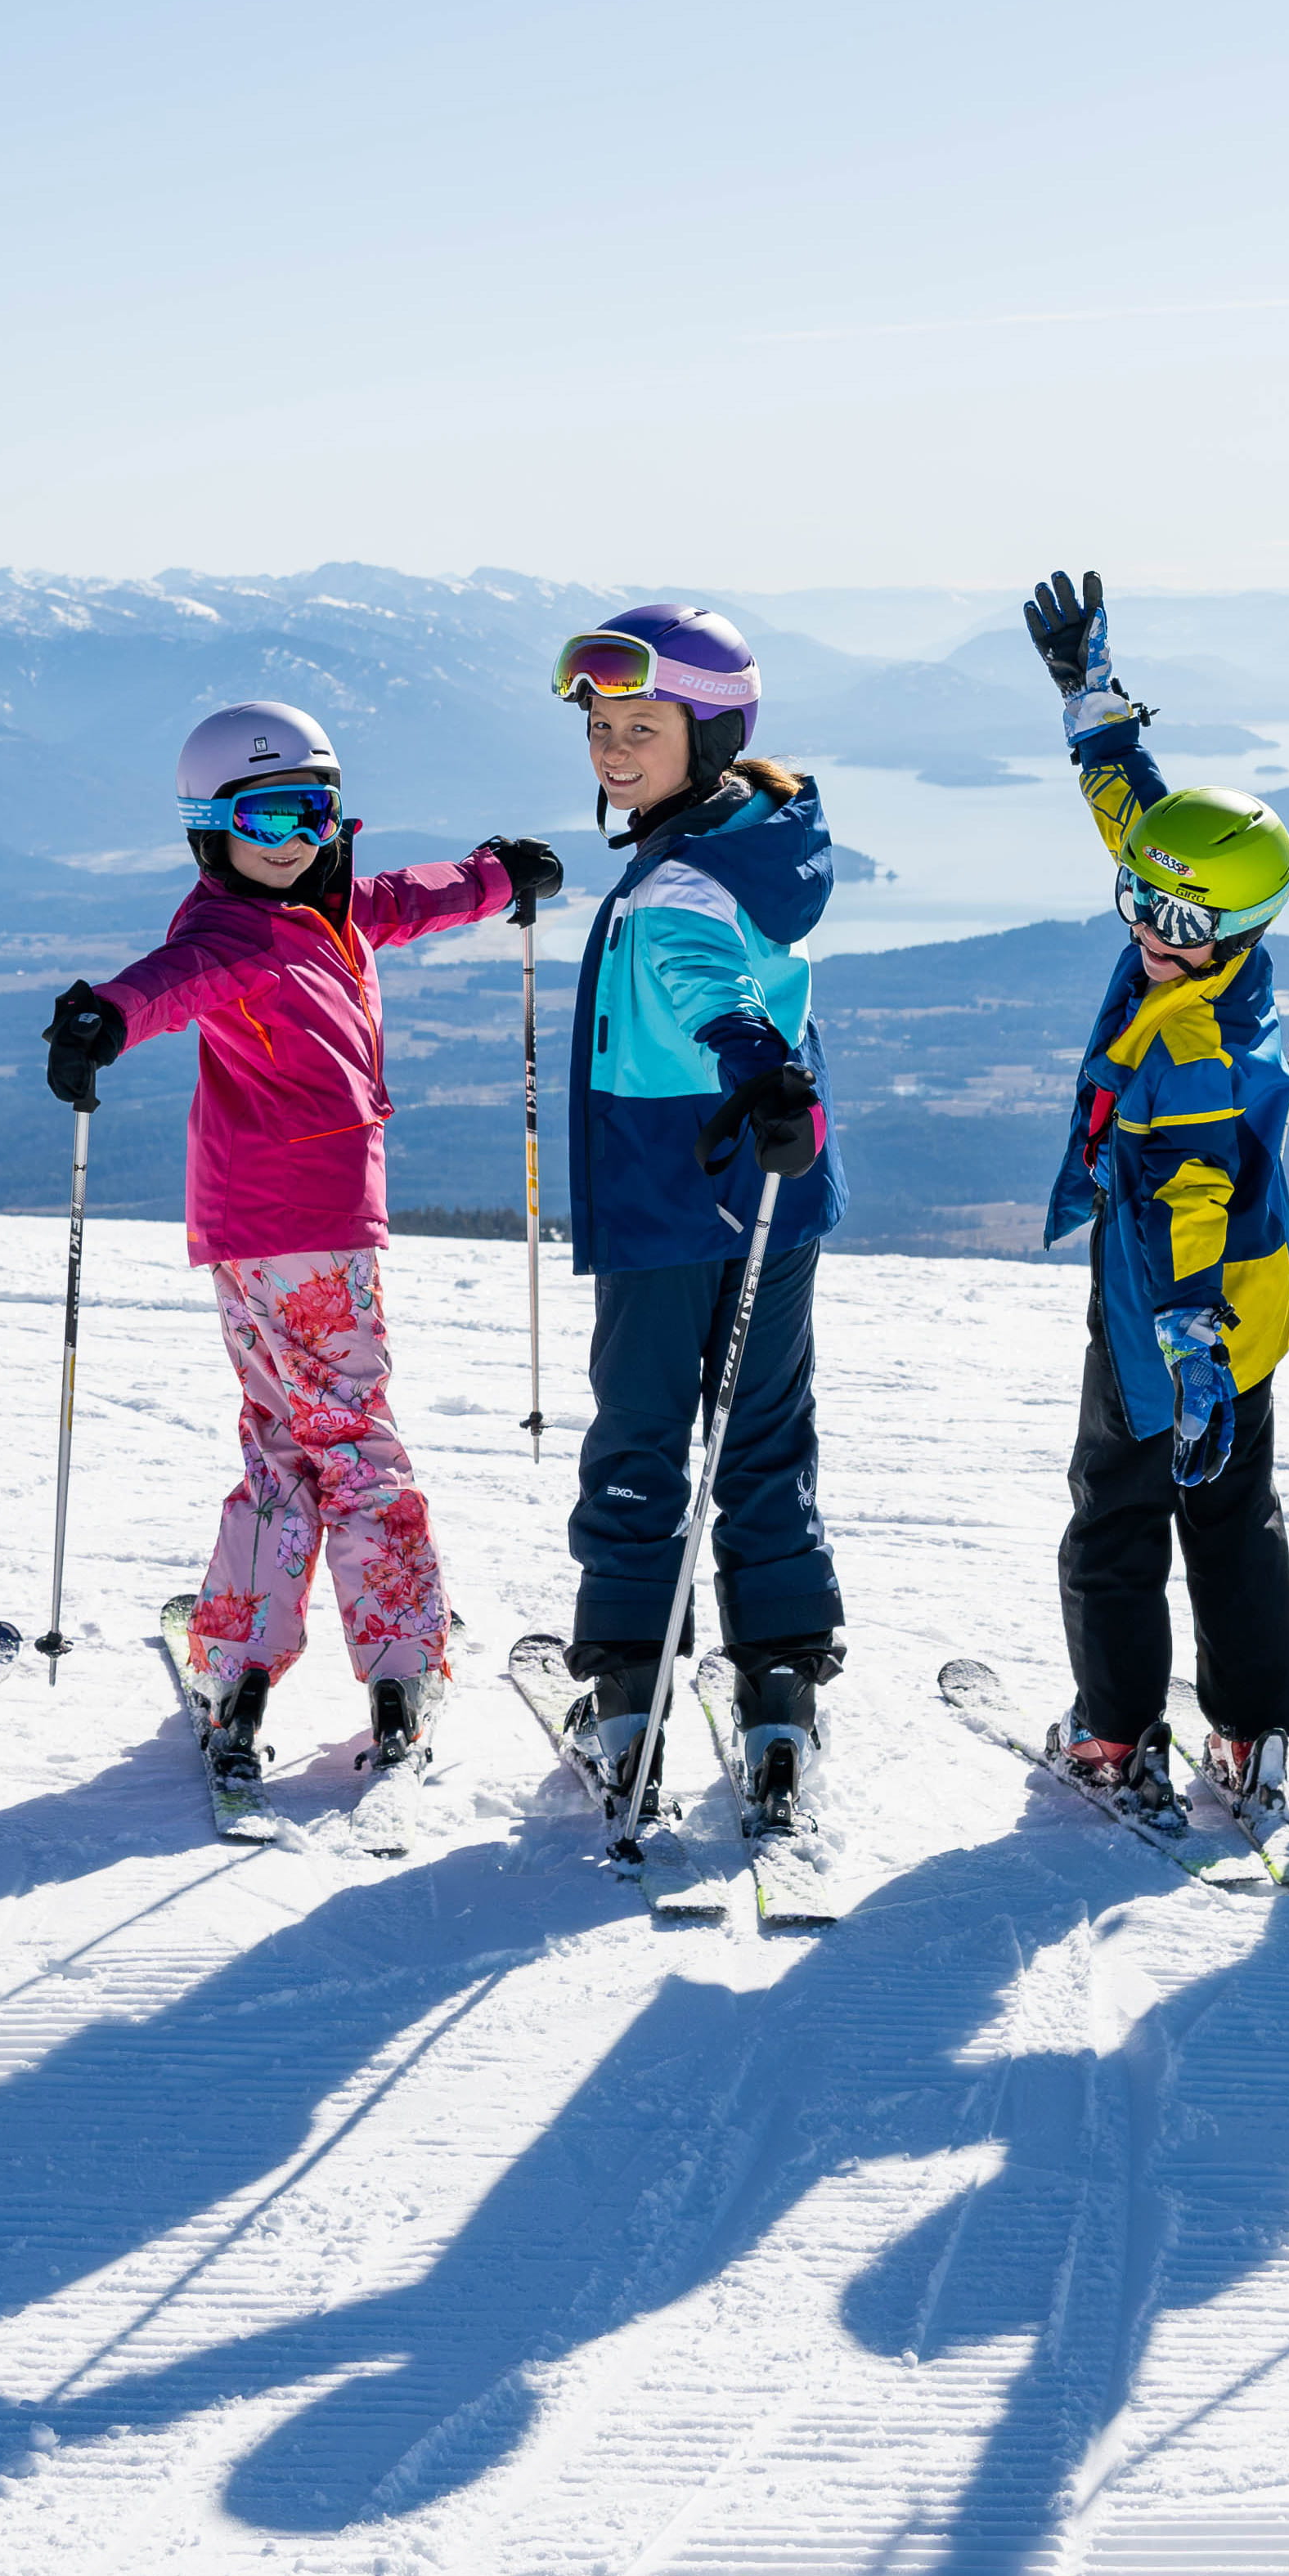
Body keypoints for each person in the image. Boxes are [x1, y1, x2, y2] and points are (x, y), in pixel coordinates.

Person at [38, 699, 561, 1792]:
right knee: (357, 1448)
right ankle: (401, 1662)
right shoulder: (230, 936)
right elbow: (166, 985)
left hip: (249, 1230)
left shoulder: (333, 909)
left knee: (286, 1442)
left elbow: (415, 900)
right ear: (207, 826)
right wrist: (104, 1018)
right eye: (266, 817)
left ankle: (243, 1663)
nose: (294, 842)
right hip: (306, 1236)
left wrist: (500, 876)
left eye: (314, 813)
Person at [1012, 575, 1289, 1844]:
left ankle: (1115, 1730)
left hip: (1168, 1315)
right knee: (1233, 1516)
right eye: (1140, 900)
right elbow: (1140, 823)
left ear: (1236, 930)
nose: (1148, 926)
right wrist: (1091, 701)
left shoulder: (1194, 1042)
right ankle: (1249, 1730)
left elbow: (1189, 1198)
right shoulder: (1197, 942)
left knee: (1122, 1516)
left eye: (1178, 918)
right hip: (1232, 1313)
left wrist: (1184, 1344)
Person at [544, 603, 847, 1827]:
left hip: (675, 1183)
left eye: (642, 728)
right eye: (602, 730)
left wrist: (745, 1059)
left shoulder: (677, 876)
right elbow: (726, 974)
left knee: (643, 1436)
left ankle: (628, 1685)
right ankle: (778, 1678)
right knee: (765, 1430)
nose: (614, 752)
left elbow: (696, 974)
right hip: (772, 1176)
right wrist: (768, 1079)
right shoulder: (761, 830)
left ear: (712, 733)